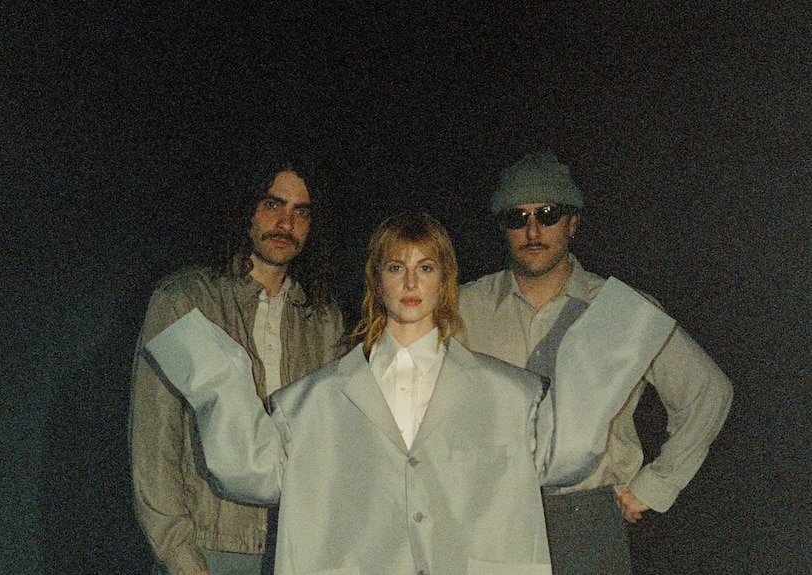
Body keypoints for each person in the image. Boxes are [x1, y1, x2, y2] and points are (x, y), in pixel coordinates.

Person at [143, 213, 554, 575]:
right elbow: (249, 471)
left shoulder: (512, 395)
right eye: (396, 267)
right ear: (376, 278)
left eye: (425, 267)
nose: (411, 282)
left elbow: (569, 455)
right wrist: (211, 371)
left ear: (445, 278)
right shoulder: (309, 404)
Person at [457, 151, 734, 574]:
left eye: (548, 214)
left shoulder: (621, 309)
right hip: (489, 516)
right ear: (503, 228)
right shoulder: (462, 307)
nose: (533, 230)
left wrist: (655, 485)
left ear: (573, 223)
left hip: (585, 521)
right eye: (518, 217)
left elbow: (708, 392)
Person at [129, 158, 348, 575]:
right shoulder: (185, 301)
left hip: (296, 549)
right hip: (209, 547)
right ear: (245, 208)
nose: (286, 223)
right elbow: (154, 445)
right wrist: (181, 559)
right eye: (272, 205)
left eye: (301, 211)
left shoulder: (322, 316)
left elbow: (332, 444)